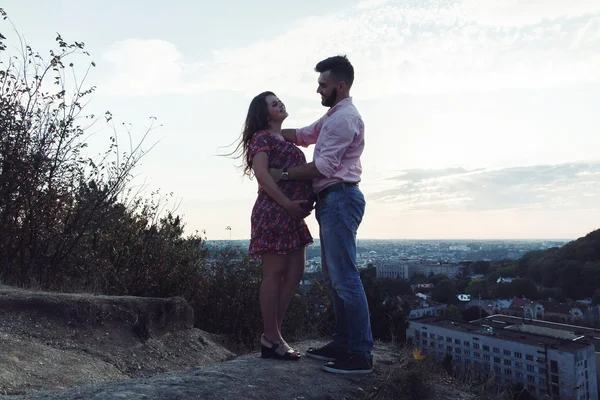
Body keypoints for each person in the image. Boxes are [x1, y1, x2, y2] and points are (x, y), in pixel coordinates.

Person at [269, 55, 373, 374]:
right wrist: (269, 133)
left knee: (344, 277)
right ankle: (343, 343)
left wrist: (281, 174)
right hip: (332, 200)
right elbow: (302, 135)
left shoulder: (344, 119)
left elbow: (324, 167)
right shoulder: (333, 117)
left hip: (340, 198)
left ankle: (360, 354)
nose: (318, 90)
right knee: (334, 277)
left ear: (340, 86)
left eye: (323, 85)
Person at [232, 91, 314, 361]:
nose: (280, 104)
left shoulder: (283, 137)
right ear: (264, 113)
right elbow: (262, 174)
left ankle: (272, 335)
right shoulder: (261, 138)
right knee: (275, 272)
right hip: (274, 210)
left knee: (295, 271)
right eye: (273, 103)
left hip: (292, 214)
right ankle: (272, 338)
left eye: (279, 100)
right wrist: (288, 203)